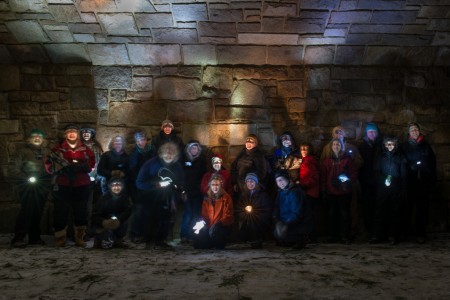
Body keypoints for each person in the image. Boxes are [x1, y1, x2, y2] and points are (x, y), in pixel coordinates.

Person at [45, 124, 96, 247]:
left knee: (80, 212)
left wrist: (82, 167)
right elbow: (49, 165)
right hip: (63, 184)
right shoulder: (57, 150)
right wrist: (60, 169)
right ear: (65, 134)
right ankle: (60, 238)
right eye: (69, 132)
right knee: (60, 212)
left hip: (81, 184)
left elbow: (91, 163)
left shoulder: (85, 149)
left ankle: (79, 237)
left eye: (74, 132)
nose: (72, 134)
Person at [9, 129, 52, 247]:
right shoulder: (22, 152)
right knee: (27, 210)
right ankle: (19, 236)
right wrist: (25, 178)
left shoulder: (47, 153)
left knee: (38, 211)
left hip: (42, 186)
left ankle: (35, 236)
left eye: (40, 136)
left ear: (43, 139)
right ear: (29, 139)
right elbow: (13, 168)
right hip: (27, 186)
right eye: (34, 136)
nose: (37, 138)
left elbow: (51, 167)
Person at [136, 141, 184, 247]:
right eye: (166, 152)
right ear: (161, 153)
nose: (169, 154)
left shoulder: (177, 167)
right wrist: (155, 185)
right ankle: (148, 240)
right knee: (149, 218)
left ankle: (160, 240)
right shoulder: (151, 164)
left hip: (167, 198)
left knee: (165, 219)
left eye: (171, 152)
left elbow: (180, 183)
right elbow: (139, 182)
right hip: (151, 197)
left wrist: (176, 191)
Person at [400, 122, 437, 243]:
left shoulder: (426, 145)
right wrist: (411, 167)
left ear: (419, 131)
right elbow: (402, 162)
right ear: (409, 133)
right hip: (410, 181)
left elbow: (432, 163)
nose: (414, 131)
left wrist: (424, 168)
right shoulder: (405, 146)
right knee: (407, 208)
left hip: (423, 182)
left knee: (422, 208)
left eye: (416, 129)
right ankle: (405, 232)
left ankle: (420, 233)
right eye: (412, 130)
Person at [370, 136, 407, 245]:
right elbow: (376, 171)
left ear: (395, 145)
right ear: (384, 146)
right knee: (380, 211)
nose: (390, 146)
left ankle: (393, 235)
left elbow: (404, 174)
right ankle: (377, 235)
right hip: (382, 189)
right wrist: (383, 180)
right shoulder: (380, 157)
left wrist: (403, 188)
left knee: (395, 212)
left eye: (392, 144)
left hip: (395, 188)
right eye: (387, 144)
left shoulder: (400, 157)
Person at [320, 138, 357, 244]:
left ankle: (344, 235)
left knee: (344, 214)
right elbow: (323, 176)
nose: (336, 146)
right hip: (331, 191)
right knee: (332, 214)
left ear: (341, 146)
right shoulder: (327, 161)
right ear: (331, 147)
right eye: (334, 144)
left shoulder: (347, 159)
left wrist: (345, 180)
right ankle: (332, 235)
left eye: (338, 144)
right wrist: (324, 189)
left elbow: (353, 174)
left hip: (344, 191)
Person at [272, 170, 313, 249]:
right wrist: (276, 220)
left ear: (287, 179)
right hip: (285, 221)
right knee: (277, 235)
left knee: (289, 237)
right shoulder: (281, 192)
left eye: (281, 180)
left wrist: (286, 224)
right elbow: (276, 207)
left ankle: (301, 238)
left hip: (298, 223)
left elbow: (297, 213)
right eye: (277, 181)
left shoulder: (295, 192)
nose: (280, 183)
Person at [192, 174, 234, 249]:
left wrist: (219, 224)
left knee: (218, 241)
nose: (215, 187)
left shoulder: (226, 198)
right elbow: (204, 215)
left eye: (217, 185)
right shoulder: (207, 199)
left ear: (221, 185)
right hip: (209, 226)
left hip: (221, 227)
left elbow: (229, 215)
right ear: (210, 186)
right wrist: (202, 224)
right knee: (198, 243)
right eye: (213, 184)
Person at [128, 130, 155, 242]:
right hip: (138, 186)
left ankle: (147, 233)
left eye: (142, 139)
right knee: (139, 210)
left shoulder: (152, 151)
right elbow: (132, 170)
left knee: (150, 210)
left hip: (150, 185)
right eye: (138, 140)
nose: (140, 142)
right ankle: (136, 233)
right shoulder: (134, 153)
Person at [180, 140, 207, 243]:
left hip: (197, 192)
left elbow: (203, 177)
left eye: (195, 148)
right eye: (191, 148)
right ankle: (183, 235)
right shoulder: (184, 160)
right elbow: (181, 176)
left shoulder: (201, 161)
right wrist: (182, 190)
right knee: (188, 213)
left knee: (196, 214)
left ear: (198, 150)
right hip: (187, 191)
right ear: (188, 149)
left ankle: (192, 235)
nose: (193, 150)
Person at [92, 177, 131, 249]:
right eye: (114, 185)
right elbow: (96, 214)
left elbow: (127, 212)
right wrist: (103, 221)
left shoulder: (125, 198)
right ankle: (98, 240)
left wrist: (118, 219)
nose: (116, 187)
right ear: (110, 186)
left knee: (126, 223)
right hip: (105, 220)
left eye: (119, 185)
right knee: (98, 227)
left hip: (118, 220)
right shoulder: (103, 198)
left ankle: (118, 240)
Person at [358, 122, 383, 239]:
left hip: (379, 182)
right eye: (370, 132)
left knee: (379, 206)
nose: (372, 134)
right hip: (366, 182)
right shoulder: (362, 147)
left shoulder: (382, 145)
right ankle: (369, 231)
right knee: (367, 206)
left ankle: (378, 231)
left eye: (374, 132)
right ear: (367, 134)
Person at [237, 173, 272, 248]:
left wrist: (255, 213)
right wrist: (245, 212)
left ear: (256, 183)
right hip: (247, 218)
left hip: (260, 220)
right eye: (248, 182)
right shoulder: (244, 195)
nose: (250, 184)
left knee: (253, 220)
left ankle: (257, 240)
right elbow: (240, 207)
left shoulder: (263, 195)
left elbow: (267, 210)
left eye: (252, 181)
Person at [80, 126, 103, 237]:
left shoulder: (97, 148)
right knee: (82, 207)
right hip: (80, 181)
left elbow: (100, 164)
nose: (86, 134)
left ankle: (90, 230)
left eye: (88, 132)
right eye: (84, 132)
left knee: (92, 207)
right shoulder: (79, 146)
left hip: (94, 181)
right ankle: (80, 231)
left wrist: (97, 177)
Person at [231, 134, 269, 199]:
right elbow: (234, 167)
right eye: (247, 141)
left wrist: (251, 180)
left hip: (250, 185)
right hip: (239, 184)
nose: (248, 143)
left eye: (251, 141)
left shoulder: (258, 155)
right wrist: (234, 182)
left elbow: (262, 172)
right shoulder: (242, 154)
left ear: (255, 144)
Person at [298, 143, 320, 240]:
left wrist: (304, 185)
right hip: (305, 191)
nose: (303, 150)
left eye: (305, 149)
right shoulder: (302, 161)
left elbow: (314, 177)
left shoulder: (310, 162)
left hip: (310, 191)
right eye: (302, 149)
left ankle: (311, 235)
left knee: (309, 214)